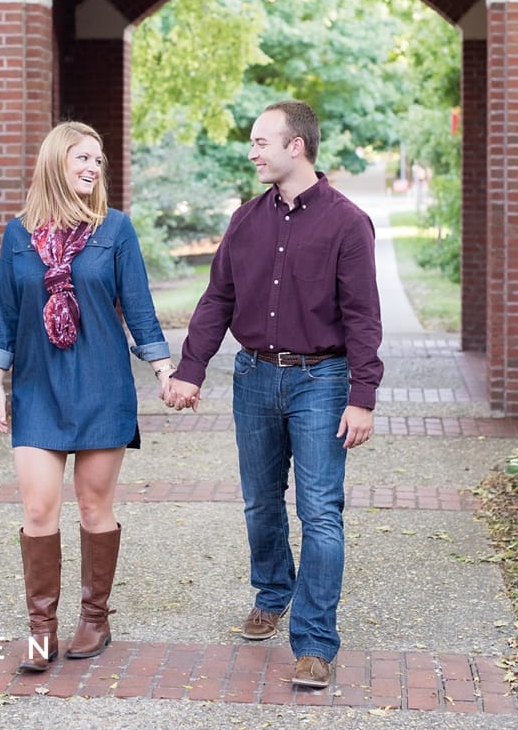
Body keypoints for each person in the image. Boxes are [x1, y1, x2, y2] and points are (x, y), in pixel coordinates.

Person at [164, 100, 383, 691]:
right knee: (261, 503)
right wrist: (191, 369)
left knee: (320, 512)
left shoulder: (347, 222)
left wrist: (362, 395)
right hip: (255, 377)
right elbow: (217, 300)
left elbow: (363, 316)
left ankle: (314, 643)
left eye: (262, 141)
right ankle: (272, 592)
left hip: (323, 382)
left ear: (297, 146)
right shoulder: (245, 219)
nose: (253, 151)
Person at [0, 121, 173, 671]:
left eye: (98, 160)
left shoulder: (115, 230)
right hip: (38, 389)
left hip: (100, 385)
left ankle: (95, 618)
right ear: (55, 165)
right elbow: (6, 314)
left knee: (94, 506)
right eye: (81, 159)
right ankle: (41, 630)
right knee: (39, 507)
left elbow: (138, 307)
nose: (93, 168)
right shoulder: (18, 234)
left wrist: (162, 369)